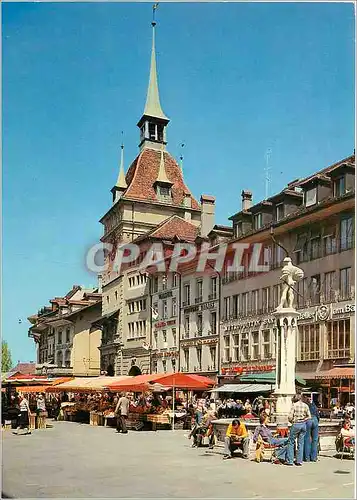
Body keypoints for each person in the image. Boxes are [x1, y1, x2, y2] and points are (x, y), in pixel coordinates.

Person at [286, 394, 311, 466]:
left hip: (296, 424)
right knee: (301, 443)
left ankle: (290, 460)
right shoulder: (305, 405)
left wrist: (292, 421)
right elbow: (309, 416)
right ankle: (299, 461)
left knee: (291, 442)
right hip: (303, 425)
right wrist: (304, 419)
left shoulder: (294, 405)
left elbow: (290, 416)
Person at [303, 396, 320, 462]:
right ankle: (314, 457)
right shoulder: (314, 405)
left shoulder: (305, 405)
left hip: (308, 420)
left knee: (307, 439)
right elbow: (318, 415)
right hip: (315, 420)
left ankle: (307, 457)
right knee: (315, 440)